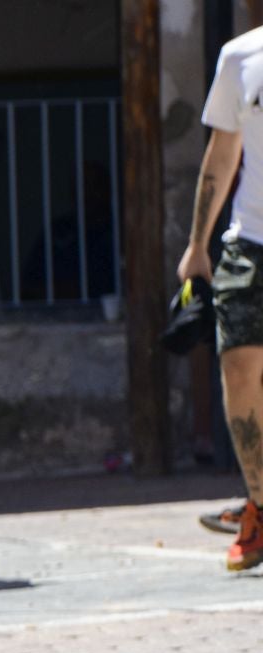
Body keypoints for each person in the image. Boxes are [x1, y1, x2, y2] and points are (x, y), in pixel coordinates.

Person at [179, 22, 263, 572]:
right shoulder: (242, 55)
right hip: (250, 241)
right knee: (237, 364)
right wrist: (197, 244)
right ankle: (260, 506)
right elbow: (222, 151)